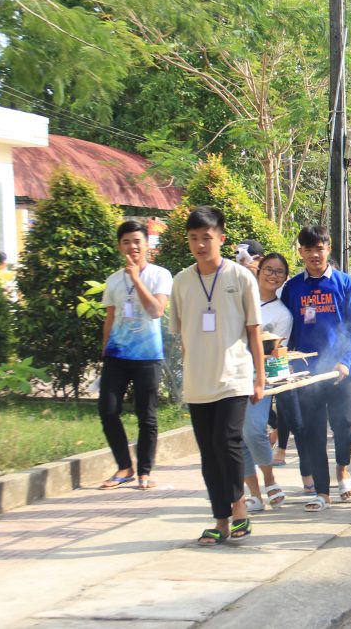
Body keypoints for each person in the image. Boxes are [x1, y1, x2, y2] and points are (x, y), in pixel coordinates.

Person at [170, 207, 264, 545]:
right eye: (193, 238)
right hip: (198, 383)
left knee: (228, 442)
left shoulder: (240, 277)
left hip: (234, 377)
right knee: (209, 453)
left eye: (206, 238)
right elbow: (181, 335)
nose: (200, 244)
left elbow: (254, 332)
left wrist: (259, 378)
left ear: (221, 239)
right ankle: (220, 520)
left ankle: (239, 507)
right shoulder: (181, 282)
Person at [280, 225, 351, 506]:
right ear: (301, 252)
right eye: (308, 249)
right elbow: (287, 329)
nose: (315, 254)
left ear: (328, 249)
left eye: (320, 248)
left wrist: (345, 361)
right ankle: (322, 492)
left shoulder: (344, 283)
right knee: (312, 432)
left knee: (345, 425)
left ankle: (342, 469)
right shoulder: (292, 288)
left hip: (342, 370)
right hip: (307, 374)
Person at [97, 220, 173, 491]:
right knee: (107, 410)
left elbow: (156, 311)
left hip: (147, 357)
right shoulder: (113, 280)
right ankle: (124, 467)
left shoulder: (160, 275)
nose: (132, 246)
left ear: (146, 244)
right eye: (127, 241)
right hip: (117, 355)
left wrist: (137, 280)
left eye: (137, 241)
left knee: (146, 414)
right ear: (119, 246)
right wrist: (105, 350)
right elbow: (110, 317)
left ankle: (144, 471)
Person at [243, 252, 292, 512]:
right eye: (269, 269)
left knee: (253, 429)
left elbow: (275, 352)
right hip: (232, 374)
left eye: (279, 272)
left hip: (260, 378)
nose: (273, 275)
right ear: (258, 270)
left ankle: (270, 479)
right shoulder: (241, 299)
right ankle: (254, 494)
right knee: (237, 437)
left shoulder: (283, 314)